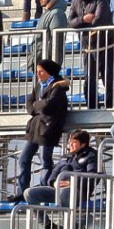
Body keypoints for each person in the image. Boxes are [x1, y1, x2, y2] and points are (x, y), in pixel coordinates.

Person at [10, 59, 69, 202]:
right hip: (35, 128)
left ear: (49, 72)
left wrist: (37, 105)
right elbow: (30, 103)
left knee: (45, 160)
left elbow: (48, 106)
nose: (38, 74)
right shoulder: (39, 86)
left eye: (41, 71)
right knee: (24, 159)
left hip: (48, 128)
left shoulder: (57, 86)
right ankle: (22, 190)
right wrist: (38, 106)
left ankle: (44, 188)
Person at [23, 130, 99, 213]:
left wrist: (71, 183)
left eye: (74, 142)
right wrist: (54, 183)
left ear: (83, 144)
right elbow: (52, 176)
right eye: (70, 142)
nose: (70, 144)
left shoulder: (91, 155)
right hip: (58, 189)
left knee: (65, 192)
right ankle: (45, 221)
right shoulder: (66, 157)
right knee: (29, 193)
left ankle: (67, 220)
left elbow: (92, 176)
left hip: (78, 192)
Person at [68, 0, 114, 109]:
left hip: (105, 46)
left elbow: (98, 20)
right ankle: (91, 105)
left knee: (108, 78)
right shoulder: (75, 1)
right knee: (89, 78)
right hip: (87, 47)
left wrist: (81, 23)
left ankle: (110, 105)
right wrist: (83, 19)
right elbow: (70, 22)